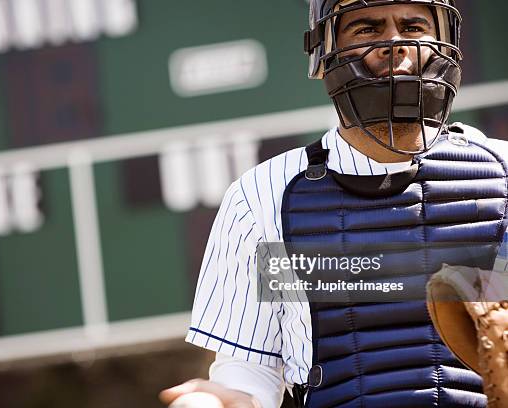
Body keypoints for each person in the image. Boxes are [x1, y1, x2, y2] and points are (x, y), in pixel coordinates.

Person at [160, 1, 508, 407]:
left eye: (413, 26)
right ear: (323, 55)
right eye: (366, 29)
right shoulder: (263, 198)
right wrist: (221, 401)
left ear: (443, 43)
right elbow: (249, 373)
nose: (394, 43)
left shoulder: (504, 174)